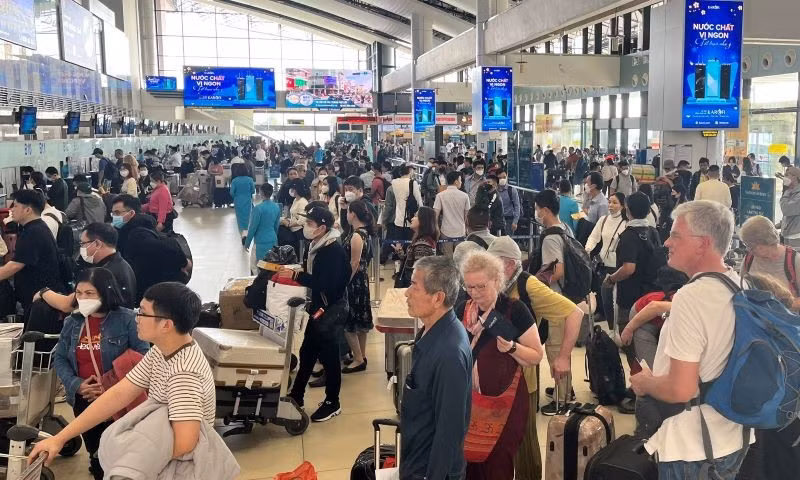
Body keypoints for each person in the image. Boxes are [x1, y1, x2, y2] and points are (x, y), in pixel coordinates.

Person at [30, 282, 216, 467]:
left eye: (143, 313)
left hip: (177, 468)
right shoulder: (162, 351)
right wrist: (60, 438)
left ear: (166, 325)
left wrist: (130, 461)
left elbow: (185, 444)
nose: (137, 318)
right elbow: (120, 393)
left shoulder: (184, 375)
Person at [630, 200, 753, 479]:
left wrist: (646, 382)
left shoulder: (691, 297)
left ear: (702, 244)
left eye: (675, 235)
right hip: (732, 434)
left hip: (694, 447)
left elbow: (681, 390)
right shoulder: (738, 284)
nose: (666, 242)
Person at [487, 237, 582, 479]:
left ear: (508, 264)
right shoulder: (501, 286)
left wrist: (562, 358)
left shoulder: (528, 286)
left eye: (492, 263)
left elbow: (574, 313)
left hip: (523, 377)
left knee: (523, 443)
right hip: (496, 378)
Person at [51, 268, 149, 479]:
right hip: (84, 398)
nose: (83, 298)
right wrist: (77, 384)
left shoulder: (128, 319)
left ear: (106, 292)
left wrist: (110, 385)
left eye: (90, 293)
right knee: (96, 454)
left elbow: (142, 357)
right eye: (79, 293)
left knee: (123, 455)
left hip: (121, 399)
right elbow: (59, 358)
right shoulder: (73, 322)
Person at [457, 251, 543, 479]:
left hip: (505, 405)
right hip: (470, 402)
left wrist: (513, 348)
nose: (474, 293)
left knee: (498, 466)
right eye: (469, 287)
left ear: (497, 280)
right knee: (470, 464)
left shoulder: (515, 310)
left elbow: (536, 355)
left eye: (481, 286)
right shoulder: (462, 310)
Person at [401, 256, 471, 480]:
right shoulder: (432, 332)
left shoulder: (449, 355)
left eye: (414, 285)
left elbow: (449, 432)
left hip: (429, 470)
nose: (406, 293)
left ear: (437, 298)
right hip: (416, 460)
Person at [278, 206, 350, 422]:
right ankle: (297, 395)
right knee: (308, 351)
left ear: (322, 227)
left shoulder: (332, 251)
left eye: (310, 223)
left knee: (329, 356)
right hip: (318, 308)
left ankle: (332, 402)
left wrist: (297, 276)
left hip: (330, 310)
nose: (306, 227)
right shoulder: (317, 245)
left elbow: (324, 283)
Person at [37, 223, 137, 310]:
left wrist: (44, 292)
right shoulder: (123, 264)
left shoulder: (103, 273)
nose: (81, 248)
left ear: (97, 243)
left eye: (83, 244)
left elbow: (68, 304)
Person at [603, 192, 662, 334]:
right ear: (648, 211)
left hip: (630, 296)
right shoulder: (653, 232)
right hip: (652, 293)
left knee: (629, 336)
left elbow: (628, 268)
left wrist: (611, 279)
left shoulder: (629, 235)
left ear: (627, 211)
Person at [110, 196, 189, 301]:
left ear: (131, 213)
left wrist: (184, 262)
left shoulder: (136, 233)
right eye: (113, 213)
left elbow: (169, 247)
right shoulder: (130, 228)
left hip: (149, 292)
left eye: (117, 213)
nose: (114, 217)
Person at [0, 190, 63, 313]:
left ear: (28, 210)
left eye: (15, 206)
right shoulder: (36, 227)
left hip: (39, 298)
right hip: (37, 295)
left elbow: (15, 265)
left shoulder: (33, 232)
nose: (11, 210)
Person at [341, 200, 374, 374]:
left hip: (354, 282)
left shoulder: (356, 236)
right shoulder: (365, 233)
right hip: (362, 280)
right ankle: (360, 355)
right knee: (361, 320)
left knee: (350, 322)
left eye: (347, 212)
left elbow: (354, 263)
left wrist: (344, 282)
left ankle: (358, 358)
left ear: (353, 214)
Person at [739, 215, 800, 308]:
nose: (750, 250)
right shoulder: (749, 260)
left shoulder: (794, 260)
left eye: (752, 247)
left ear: (764, 242)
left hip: (787, 319)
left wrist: (784, 306)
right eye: (748, 246)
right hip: (757, 319)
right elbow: (740, 292)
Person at [585, 192, 627, 327]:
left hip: (620, 266)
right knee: (606, 297)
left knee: (619, 300)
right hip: (604, 264)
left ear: (622, 205)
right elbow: (593, 237)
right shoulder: (603, 220)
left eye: (615, 203)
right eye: (609, 202)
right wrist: (588, 249)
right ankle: (610, 327)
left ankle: (618, 328)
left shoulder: (626, 222)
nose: (610, 205)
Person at [395, 206, 439, 288]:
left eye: (415, 216)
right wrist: (400, 252)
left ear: (423, 221)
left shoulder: (422, 245)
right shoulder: (421, 240)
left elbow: (419, 272)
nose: (412, 219)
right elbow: (410, 260)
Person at [245, 183, 281, 274]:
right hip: (273, 239)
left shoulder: (258, 209)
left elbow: (253, 228)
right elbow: (276, 225)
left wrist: (247, 243)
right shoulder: (276, 207)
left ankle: (257, 284)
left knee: (255, 266)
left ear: (261, 193)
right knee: (271, 265)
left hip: (260, 242)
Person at [434, 171, 470, 258]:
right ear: (456, 181)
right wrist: (466, 228)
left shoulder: (440, 195)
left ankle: (449, 271)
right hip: (460, 231)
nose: (461, 182)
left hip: (446, 231)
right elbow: (467, 216)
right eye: (460, 180)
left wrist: (436, 228)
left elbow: (435, 214)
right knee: (460, 258)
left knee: (447, 258)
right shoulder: (465, 196)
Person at [390, 164, 423, 242]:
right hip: (410, 220)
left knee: (400, 245)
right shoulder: (412, 183)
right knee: (410, 245)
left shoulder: (394, 182)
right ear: (410, 171)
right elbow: (420, 202)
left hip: (398, 219)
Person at [278, 179, 311, 256]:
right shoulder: (296, 200)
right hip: (293, 230)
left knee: (299, 252)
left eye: (292, 189)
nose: (290, 190)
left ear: (297, 189)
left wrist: (289, 224)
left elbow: (302, 220)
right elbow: (294, 215)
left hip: (299, 232)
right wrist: (287, 220)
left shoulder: (302, 202)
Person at [230, 163, 256, 245]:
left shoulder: (234, 180)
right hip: (247, 201)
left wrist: (236, 196)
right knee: (247, 219)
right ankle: (246, 234)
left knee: (240, 220)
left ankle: (242, 235)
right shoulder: (250, 180)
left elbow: (231, 193)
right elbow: (253, 191)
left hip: (238, 202)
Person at [779, 166, 800, 249]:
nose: (785, 178)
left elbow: (786, 209)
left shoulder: (797, 194)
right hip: (788, 234)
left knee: (795, 260)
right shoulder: (791, 192)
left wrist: (786, 192)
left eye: (787, 175)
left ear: (795, 177)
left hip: (796, 236)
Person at [495, 170, 521, 235]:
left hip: (509, 220)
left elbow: (517, 206)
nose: (502, 179)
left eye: (504, 177)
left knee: (507, 242)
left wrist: (515, 222)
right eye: (500, 178)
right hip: (496, 220)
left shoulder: (512, 190)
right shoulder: (494, 190)